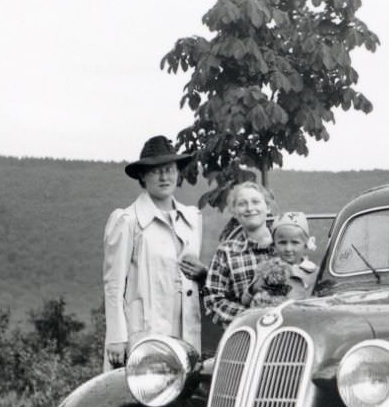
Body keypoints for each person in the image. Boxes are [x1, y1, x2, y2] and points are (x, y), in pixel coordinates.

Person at [103, 136, 205, 370]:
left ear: (178, 173)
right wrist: (116, 337)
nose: (164, 177)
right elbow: (113, 284)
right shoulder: (128, 220)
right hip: (144, 329)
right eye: (156, 171)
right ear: (142, 176)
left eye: (169, 169)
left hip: (185, 328)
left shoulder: (192, 218)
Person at [203, 182, 276, 326]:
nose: (250, 208)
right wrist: (249, 317)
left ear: (267, 207)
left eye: (256, 202)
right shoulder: (226, 252)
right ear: (235, 213)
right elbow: (213, 300)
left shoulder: (284, 245)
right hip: (245, 336)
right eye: (242, 204)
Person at [250, 212, 319, 306]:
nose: (288, 249)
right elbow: (247, 299)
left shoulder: (314, 272)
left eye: (295, 242)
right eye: (282, 243)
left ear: (306, 244)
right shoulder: (266, 268)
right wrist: (257, 285)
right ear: (273, 244)